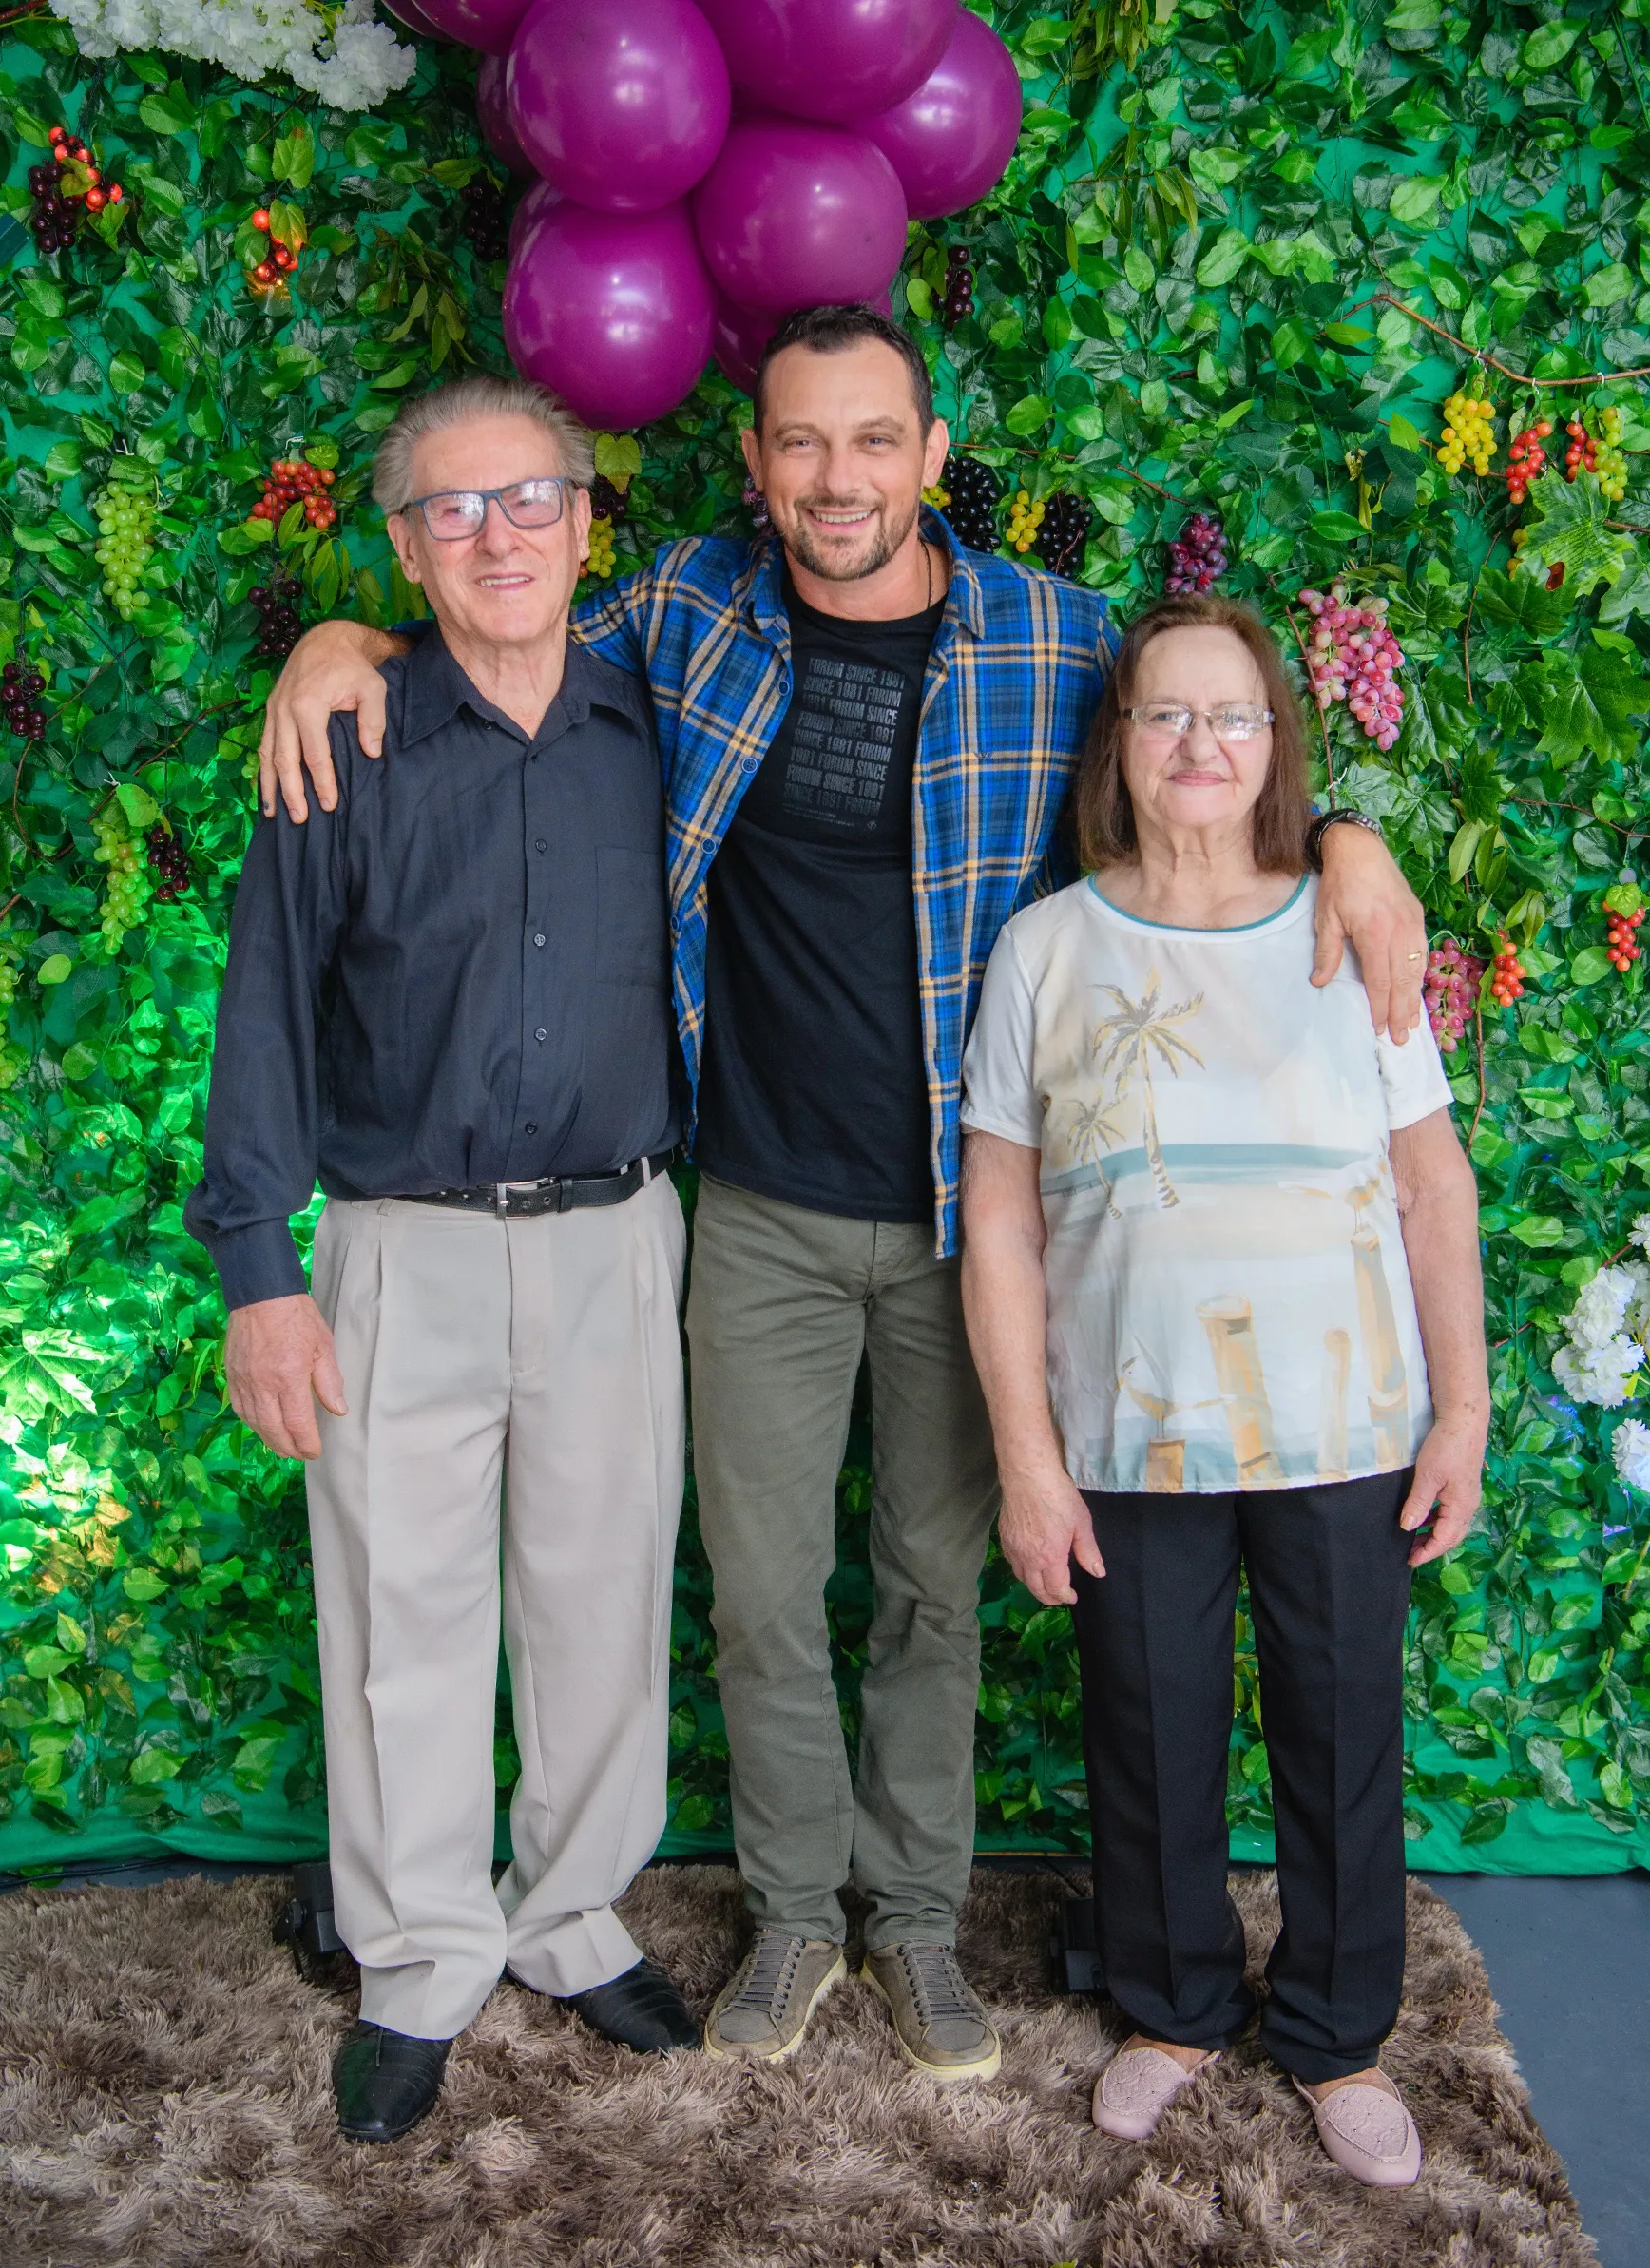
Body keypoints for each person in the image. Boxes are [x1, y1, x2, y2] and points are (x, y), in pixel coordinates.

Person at [254, 306, 1429, 2085]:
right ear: (755, 466)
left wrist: (1350, 835)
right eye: (800, 444)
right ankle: (794, 1914)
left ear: (932, 454)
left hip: (980, 1225)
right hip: (754, 1206)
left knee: (933, 1588)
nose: (836, 478)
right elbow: (478, 622)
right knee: (762, 1591)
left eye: (872, 440)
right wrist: (334, 640)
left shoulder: (1059, 639)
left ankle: (914, 1921)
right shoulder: (683, 619)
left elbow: (1213, 764)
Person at [186, 375, 700, 2144]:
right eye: (454, 512)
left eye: (530, 501)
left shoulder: (666, 717)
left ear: (585, 519)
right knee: (400, 1613)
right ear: (404, 547)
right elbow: (265, 1000)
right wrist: (260, 1266)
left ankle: (569, 1919)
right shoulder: (348, 729)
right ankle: (416, 1955)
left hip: (622, 1234)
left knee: (604, 1603)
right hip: (399, 1241)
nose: (498, 537)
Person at [959, 593, 1487, 2185]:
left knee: (1341, 1733)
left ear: (1278, 747)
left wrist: (1461, 1409)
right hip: (1130, 1425)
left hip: (1343, 1424)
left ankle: (1336, 2032)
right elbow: (996, 1212)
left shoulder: (1352, 925)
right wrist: (1028, 1458)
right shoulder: (1047, 945)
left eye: (1234, 717)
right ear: (1123, 743)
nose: (1202, 744)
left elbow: (1432, 1185)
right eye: (1169, 715)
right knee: (1151, 1723)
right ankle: (1174, 2006)